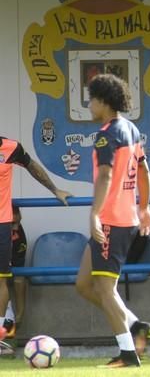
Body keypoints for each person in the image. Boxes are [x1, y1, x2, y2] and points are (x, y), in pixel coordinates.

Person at [74, 74, 150, 368]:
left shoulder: (105, 134)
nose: (89, 104)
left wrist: (94, 214)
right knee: (84, 283)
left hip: (111, 220)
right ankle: (136, 326)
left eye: (92, 99)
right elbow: (145, 171)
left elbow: (106, 175)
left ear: (104, 102)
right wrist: (144, 208)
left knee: (105, 289)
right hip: (125, 218)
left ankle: (127, 354)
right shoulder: (131, 129)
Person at [0, 135, 71, 350]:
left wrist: (55, 189)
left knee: (0, 280)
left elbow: (32, 166)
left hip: (2, 224)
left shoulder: (10, 147)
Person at [1, 205, 28, 346]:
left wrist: (20, 314)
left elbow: (18, 272)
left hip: (7, 273)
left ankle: (12, 320)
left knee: (17, 279)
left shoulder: (18, 236)